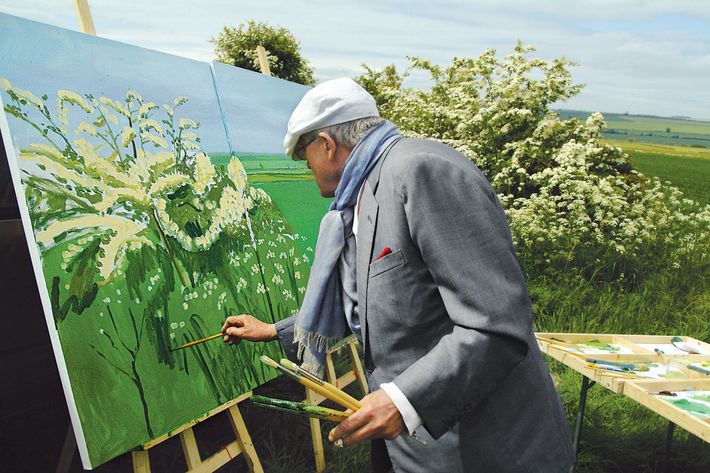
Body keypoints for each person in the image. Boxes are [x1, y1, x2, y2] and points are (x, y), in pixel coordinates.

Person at [222, 78, 575, 472]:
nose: (308, 168)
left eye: (305, 155)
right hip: (416, 448)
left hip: (481, 449)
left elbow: (495, 325)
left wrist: (403, 400)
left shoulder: (421, 172)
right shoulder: (363, 195)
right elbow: (375, 302)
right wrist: (273, 330)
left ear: (326, 143)